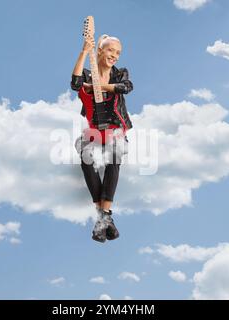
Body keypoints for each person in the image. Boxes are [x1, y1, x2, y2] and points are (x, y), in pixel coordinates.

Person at [71, 34, 133, 243]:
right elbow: (75, 83)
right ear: (99, 51)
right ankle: (105, 218)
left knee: (114, 158)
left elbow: (127, 87)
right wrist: (83, 52)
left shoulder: (120, 73)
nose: (114, 55)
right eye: (110, 50)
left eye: (117, 52)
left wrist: (100, 87)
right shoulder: (88, 74)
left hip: (115, 127)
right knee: (86, 159)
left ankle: (102, 218)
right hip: (95, 129)